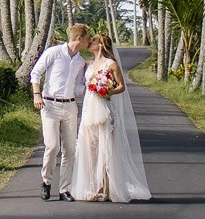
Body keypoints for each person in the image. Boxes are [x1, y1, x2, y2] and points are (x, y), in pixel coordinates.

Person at [74, 33, 152, 203]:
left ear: (100, 44)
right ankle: (91, 187)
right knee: (89, 149)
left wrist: (108, 91)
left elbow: (122, 86)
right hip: (88, 108)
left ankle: (106, 189)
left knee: (106, 148)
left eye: (93, 40)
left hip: (104, 108)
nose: (90, 42)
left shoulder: (111, 64)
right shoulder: (88, 64)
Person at [30, 23, 93, 201]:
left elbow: (78, 86)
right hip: (50, 105)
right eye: (88, 38)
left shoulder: (80, 61)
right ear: (79, 38)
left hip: (70, 107)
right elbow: (36, 73)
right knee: (52, 146)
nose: (89, 41)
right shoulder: (54, 52)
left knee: (70, 149)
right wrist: (37, 95)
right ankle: (46, 182)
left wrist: (93, 85)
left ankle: (64, 189)